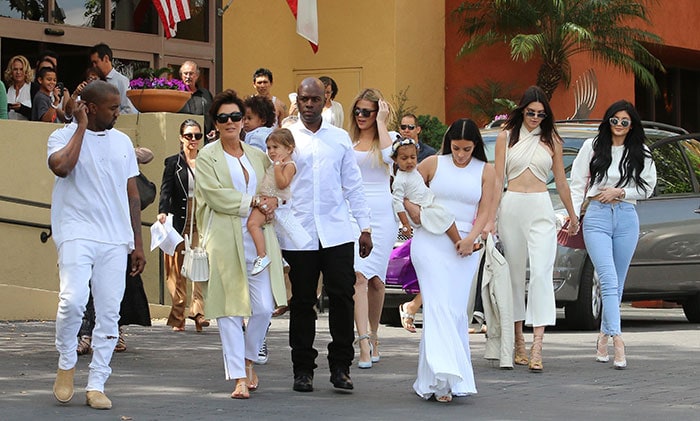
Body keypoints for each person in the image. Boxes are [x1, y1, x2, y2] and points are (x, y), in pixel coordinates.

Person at [48, 80, 146, 410]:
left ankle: (96, 383)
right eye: (113, 108)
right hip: (75, 231)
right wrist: (81, 127)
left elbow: (132, 195)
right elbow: (62, 168)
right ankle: (66, 363)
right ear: (90, 108)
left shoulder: (121, 142)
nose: (119, 113)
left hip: (115, 237)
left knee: (108, 312)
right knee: (72, 301)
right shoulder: (62, 137)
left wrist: (138, 243)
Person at [282, 77, 373, 392]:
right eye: (304, 99)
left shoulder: (339, 138)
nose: (309, 105)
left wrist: (365, 227)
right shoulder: (287, 135)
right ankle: (303, 369)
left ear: (326, 101)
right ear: (298, 101)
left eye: (315, 100)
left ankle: (341, 367)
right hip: (300, 232)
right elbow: (276, 180)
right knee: (303, 301)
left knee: (342, 297)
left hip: (336, 231)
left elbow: (353, 184)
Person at [195, 89, 287, 399]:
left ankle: (248, 360)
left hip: (259, 238)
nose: (232, 122)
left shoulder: (257, 155)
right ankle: (238, 376)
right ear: (216, 123)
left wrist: (271, 202)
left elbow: (273, 186)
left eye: (237, 116)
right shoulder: (207, 156)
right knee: (230, 310)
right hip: (224, 238)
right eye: (224, 118)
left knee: (263, 307)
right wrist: (254, 201)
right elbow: (214, 194)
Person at [404, 118, 494, 402]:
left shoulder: (486, 170)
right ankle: (444, 377)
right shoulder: (432, 163)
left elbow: (487, 210)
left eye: (467, 149)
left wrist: (472, 238)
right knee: (438, 307)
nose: (461, 155)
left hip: (465, 245)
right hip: (430, 240)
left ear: (475, 147)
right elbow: (403, 185)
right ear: (449, 144)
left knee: (454, 311)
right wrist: (411, 211)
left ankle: (435, 380)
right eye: (456, 148)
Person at [492, 85, 578, 372]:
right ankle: (518, 342)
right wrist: (490, 217)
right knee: (515, 276)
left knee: (541, 273)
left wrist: (572, 214)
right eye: (531, 112)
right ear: (522, 110)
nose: (536, 118)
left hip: (541, 205)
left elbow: (561, 181)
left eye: (541, 114)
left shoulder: (551, 139)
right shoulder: (506, 136)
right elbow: (496, 179)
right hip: (512, 205)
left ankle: (538, 345)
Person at [570, 100, 656, 370]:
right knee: (606, 278)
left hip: (627, 217)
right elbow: (576, 183)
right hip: (596, 216)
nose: (619, 126)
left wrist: (620, 192)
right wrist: (573, 216)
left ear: (632, 125)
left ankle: (603, 337)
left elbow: (648, 188)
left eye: (625, 121)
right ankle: (618, 340)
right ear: (607, 121)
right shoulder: (592, 147)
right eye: (614, 120)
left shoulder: (640, 151)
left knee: (617, 283)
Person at [348, 88, 397, 368]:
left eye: (368, 111)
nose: (361, 116)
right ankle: (363, 342)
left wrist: (382, 123)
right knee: (359, 278)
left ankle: (374, 334)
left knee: (377, 281)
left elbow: (391, 157)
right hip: (354, 212)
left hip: (382, 212)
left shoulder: (390, 142)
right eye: (358, 111)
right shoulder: (348, 141)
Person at [157, 119, 209, 332]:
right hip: (179, 215)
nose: (194, 140)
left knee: (201, 263)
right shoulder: (173, 162)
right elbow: (166, 189)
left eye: (197, 136)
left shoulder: (207, 161)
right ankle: (178, 314)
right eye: (189, 136)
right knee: (175, 268)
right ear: (181, 137)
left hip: (201, 216)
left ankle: (198, 312)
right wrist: (162, 211)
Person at [391, 137, 461, 244]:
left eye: (413, 157)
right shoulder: (400, 181)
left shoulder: (414, 171)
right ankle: (458, 242)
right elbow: (397, 202)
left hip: (426, 204)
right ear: (395, 159)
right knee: (446, 217)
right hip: (420, 210)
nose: (409, 161)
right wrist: (405, 223)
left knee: (444, 217)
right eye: (404, 158)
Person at [247, 128, 298, 275]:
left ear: (289, 148)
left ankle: (262, 256)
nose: (271, 151)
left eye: (276, 147)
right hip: (264, 198)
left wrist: (277, 168)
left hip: (273, 201)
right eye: (269, 148)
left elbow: (282, 183)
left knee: (253, 224)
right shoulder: (275, 163)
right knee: (270, 232)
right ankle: (278, 257)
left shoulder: (289, 165)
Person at [89, 43, 136, 114]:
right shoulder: (95, 81)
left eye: (96, 62)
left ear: (106, 59)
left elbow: (128, 109)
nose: (94, 66)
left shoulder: (121, 80)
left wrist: (111, 119)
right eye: (92, 63)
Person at [178, 60, 215, 139]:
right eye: (185, 73)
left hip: (204, 139)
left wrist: (214, 129)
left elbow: (212, 113)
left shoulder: (205, 94)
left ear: (197, 75)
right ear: (181, 75)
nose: (188, 76)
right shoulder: (177, 94)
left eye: (191, 74)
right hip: (184, 139)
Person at [4, 54, 33, 120]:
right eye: (15, 69)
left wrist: (22, 109)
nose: (18, 72)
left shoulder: (33, 88)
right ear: (11, 71)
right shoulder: (6, 88)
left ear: (26, 71)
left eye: (21, 69)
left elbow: (37, 114)